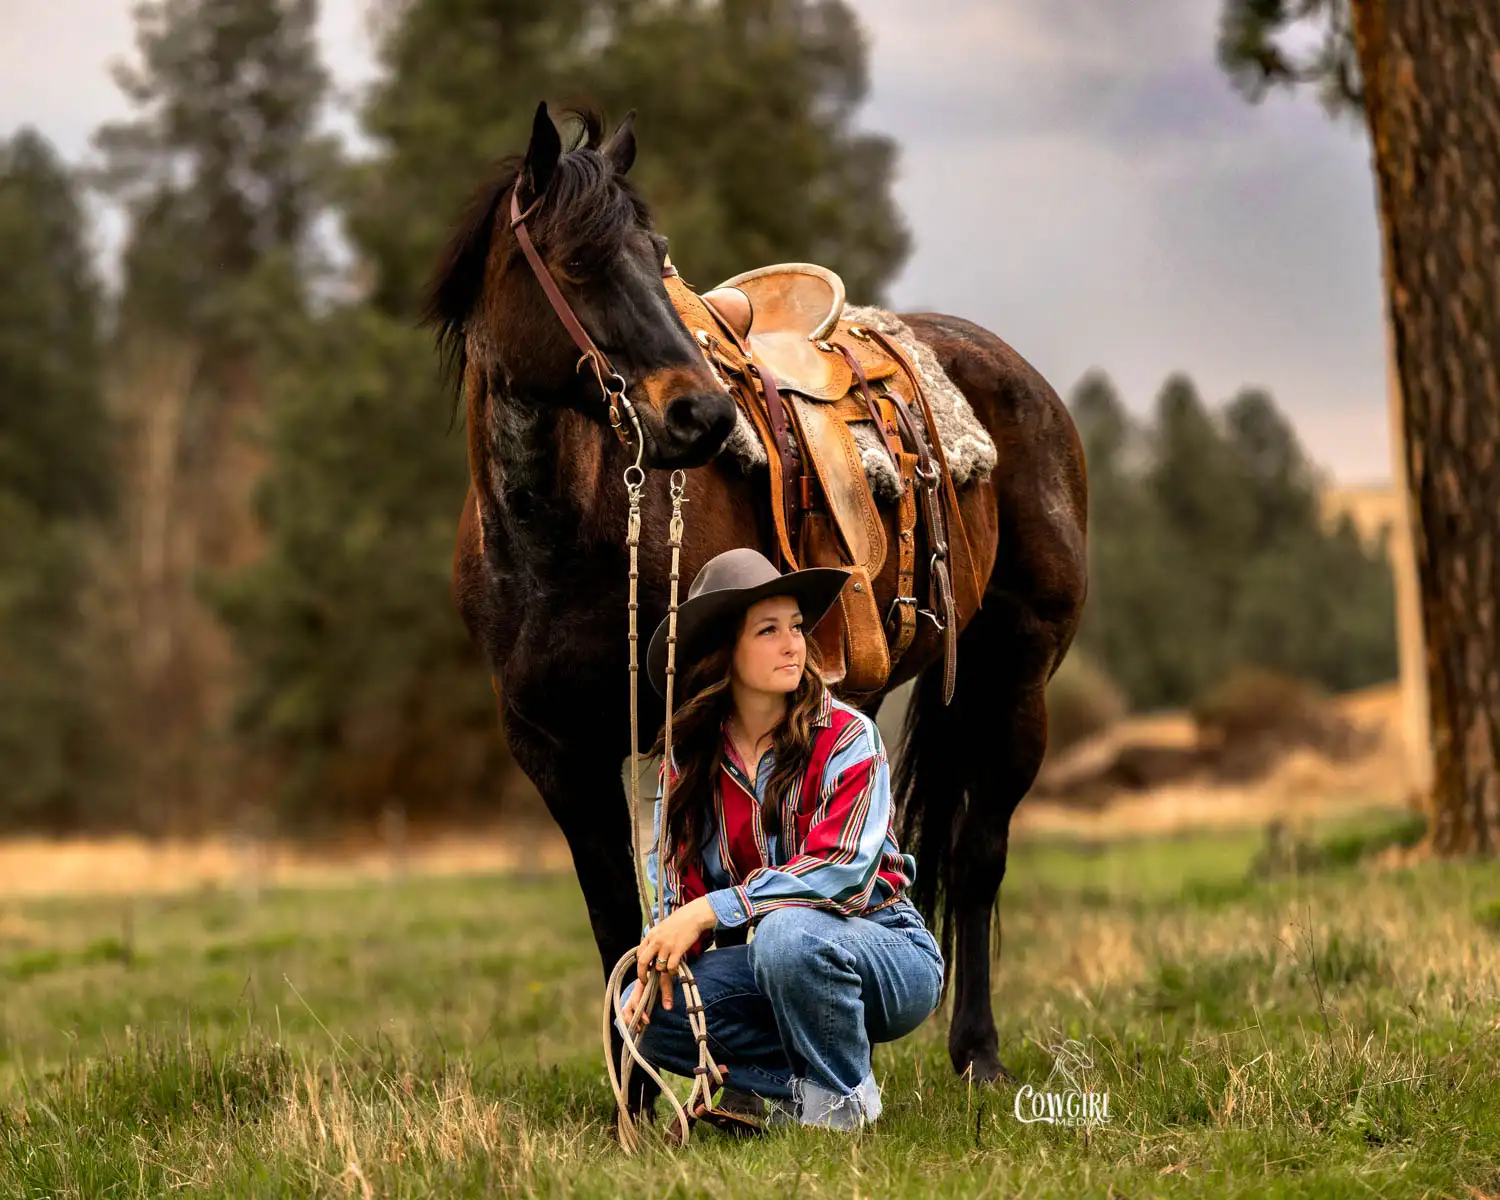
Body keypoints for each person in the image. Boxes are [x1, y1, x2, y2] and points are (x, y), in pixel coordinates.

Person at [616, 547, 944, 1134]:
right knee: (641, 1013)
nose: (794, 644)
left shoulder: (848, 736)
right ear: (725, 651)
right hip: (772, 960)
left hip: (887, 948)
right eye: (769, 631)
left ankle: (845, 1113)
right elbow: (673, 885)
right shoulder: (688, 763)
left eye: (795, 627)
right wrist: (661, 954)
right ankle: (779, 1092)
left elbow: (838, 870)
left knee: (786, 934)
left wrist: (709, 912)